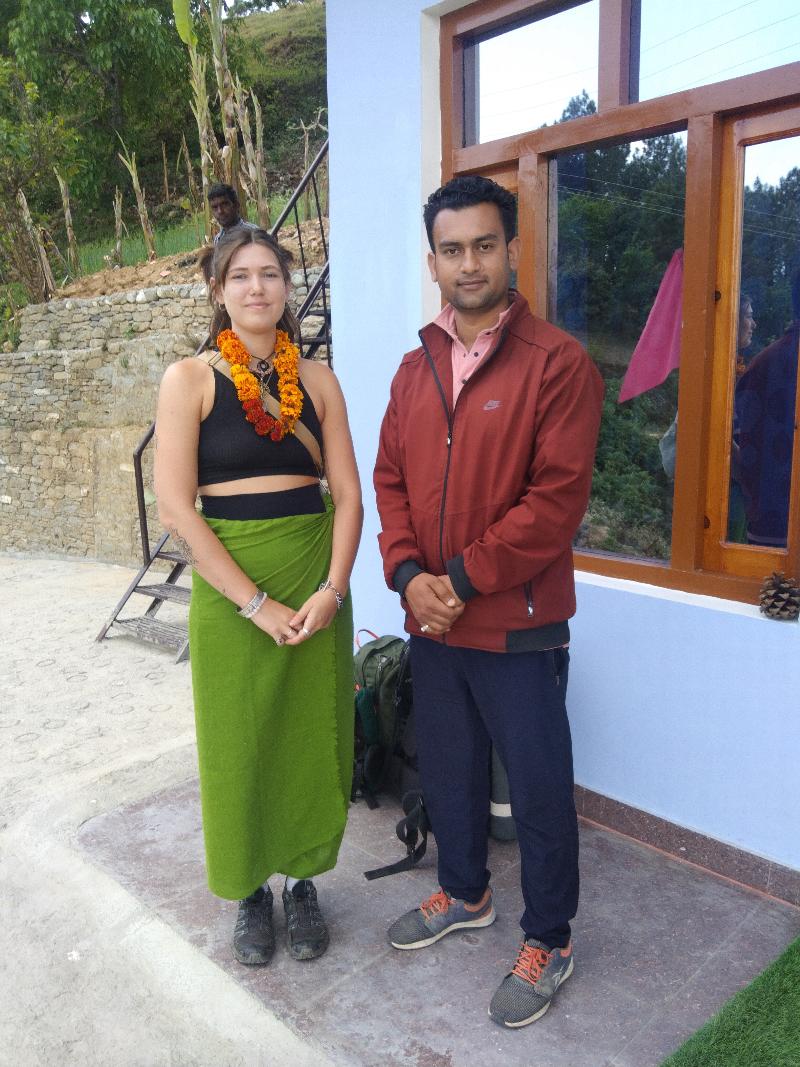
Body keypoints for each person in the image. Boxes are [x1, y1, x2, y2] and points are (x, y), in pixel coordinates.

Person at [374, 175, 603, 1028]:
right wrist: (408, 576)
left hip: (516, 623)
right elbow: (390, 480)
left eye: (483, 245)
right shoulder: (414, 367)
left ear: (511, 249)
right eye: (451, 249)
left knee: (538, 788)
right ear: (431, 260)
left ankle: (550, 937)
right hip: (431, 620)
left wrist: (458, 583)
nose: (468, 263)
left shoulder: (558, 363)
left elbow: (553, 505)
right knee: (449, 767)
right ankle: (464, 892)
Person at [154, 226, 362, 967]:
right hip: (230, 592)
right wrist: (253, 603)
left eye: (270, 273)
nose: (256, 287)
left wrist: (333, 589)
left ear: (287, 286)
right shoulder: (189, 380)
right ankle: (250, 889)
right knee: (238, 742)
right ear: (218, 290)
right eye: (239, 275)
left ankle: (303, 882)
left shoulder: (320, 380)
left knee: (311, 736)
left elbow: (348, 495)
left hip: (314, 581)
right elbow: (176, 509)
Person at [734, 269, 800, 547]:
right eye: (747, 316)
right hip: (773, 531)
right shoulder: (765, 367)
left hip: (767, 524)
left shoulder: (762, 365)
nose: (753, 324)